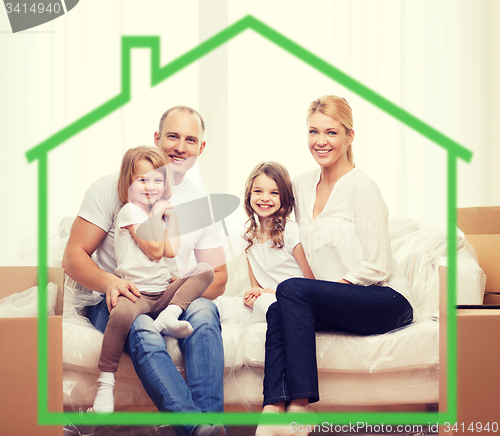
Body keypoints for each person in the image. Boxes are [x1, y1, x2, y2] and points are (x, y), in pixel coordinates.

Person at [63, 106, 227, 436]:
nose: (180, 146)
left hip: (167, 297)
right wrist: (110, 281)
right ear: (157, 138)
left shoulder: (199, 202)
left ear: (201, 149)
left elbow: (219, 276)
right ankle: (195, 427)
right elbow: (73, 256)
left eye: (190, 139)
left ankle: (213, 424)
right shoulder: (115, 187)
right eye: (172, 136)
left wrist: (178, 295)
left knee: (206, 311)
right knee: (140, 326)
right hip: (119, 300)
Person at [256, 96, 415, 436]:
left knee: (291, 291)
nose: (321, 141)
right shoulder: (300, 185)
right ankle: (273, 408)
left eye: (331, 132)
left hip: (385, 299)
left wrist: (318, 296)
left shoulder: (363, 188)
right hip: (337, 299)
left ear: (349, 137)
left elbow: (377, 266)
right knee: (277, 309)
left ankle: (300, 407)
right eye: (314, 131)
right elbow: (275, 225)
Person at [93, 146, 214, 412]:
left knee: (204, 269)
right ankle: (105, 382)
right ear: (128, 182)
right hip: (136, 295)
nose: (150, 186)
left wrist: (173, 219)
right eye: (142, 180)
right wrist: (159, 215)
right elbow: (155, 249)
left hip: (162, 293)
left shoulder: (154, 214)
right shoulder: (130, 212)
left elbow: (170, 250)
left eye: (158, 180)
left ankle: (170, 315)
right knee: (121, 315)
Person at [241, 162, 314, 322]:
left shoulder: (291, 232)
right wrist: (254, 295)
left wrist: (276, 294)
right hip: (268, 302)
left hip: (295, 300)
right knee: (226, 307)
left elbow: (312, 284)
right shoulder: (248, 238)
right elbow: (257, 287)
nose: (265, 198)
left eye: (274, 193)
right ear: (249, 195)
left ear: (284, 197)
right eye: (258, 191)